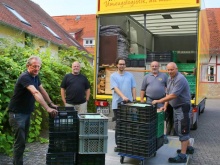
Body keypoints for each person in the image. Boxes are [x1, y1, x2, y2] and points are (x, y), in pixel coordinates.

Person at [8, 56, 58, 165]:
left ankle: (16, 162)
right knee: (19, 143)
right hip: (17, 114)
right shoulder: (25, 77)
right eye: (34, 66)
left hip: (26, 113)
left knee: (22, 142)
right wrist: (47, 108)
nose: (36, 69)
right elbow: (35, 92)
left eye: (38, 67)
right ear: (28, 66)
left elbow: (42, 90)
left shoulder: (35, 77)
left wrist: (51, 103)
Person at [152, 62, 194, 163]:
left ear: (177, 69)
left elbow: (173, 95)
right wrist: (165, 106)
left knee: (183, 130)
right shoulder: (170, 79)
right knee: (178, 128)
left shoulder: (180, 79)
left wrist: (159, 101)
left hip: (183, 108)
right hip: (176, 108)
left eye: (172, 69)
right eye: (168, 70)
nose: (170, 71)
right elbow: (168, 93)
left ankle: (183, 155)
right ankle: (188, 148)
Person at [110, 57, 136, 152]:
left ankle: (128, 143)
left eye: (123, 64)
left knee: (129, 124)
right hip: (117, 105)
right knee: (119, 125)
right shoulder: (113, 76)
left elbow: (133, 87)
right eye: (120, 64)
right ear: (117, 65)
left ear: (125, 65)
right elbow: (115, 88)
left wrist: (133, 99)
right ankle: (119, 145)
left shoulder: (130, 75)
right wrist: (124, 97)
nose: (122, 65)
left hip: (129, 105)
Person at [140, 61, 169, 144]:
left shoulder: (164, 76)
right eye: (153, 66)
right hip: (149, 101)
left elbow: (168, 91)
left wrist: (166, 104)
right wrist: (142, 100)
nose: (154, 67)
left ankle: (163, 136)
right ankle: (150, 135)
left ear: (159, 67)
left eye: (156, 66)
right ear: (150, 67)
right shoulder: (146, 77)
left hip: (161, 101)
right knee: (149, 119)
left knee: (161, 119)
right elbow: (142, 90)